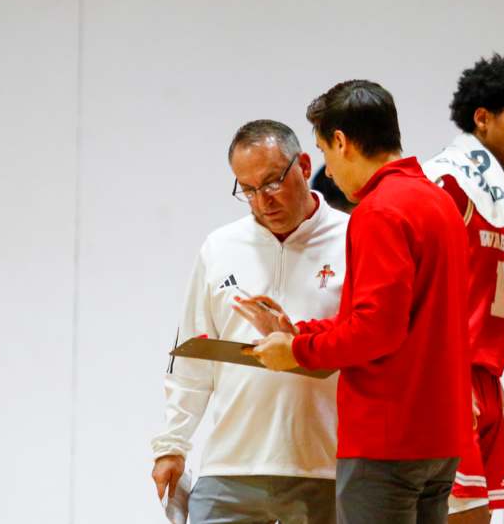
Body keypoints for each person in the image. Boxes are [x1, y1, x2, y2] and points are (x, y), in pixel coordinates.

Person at [236, 80, 472, 524]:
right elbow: (403, 318)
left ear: (341, 142)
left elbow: (377, 330)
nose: (329, 168)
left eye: (324, 152)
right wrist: (302, 333)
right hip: (440, 439)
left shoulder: (379, 210)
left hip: (387, 440)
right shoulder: (440, 204)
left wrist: (297, 352)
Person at [150, 119, 349, 524]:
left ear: (305, 164)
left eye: (273, 182)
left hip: (324, 468)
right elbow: (192, 356)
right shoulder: (220, 247)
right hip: (230, 468)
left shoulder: (353, 238)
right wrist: (172, 445)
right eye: (248, 189)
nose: (263, 201)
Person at [421, 54, 504, 523]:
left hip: (484, 384)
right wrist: (451, 381)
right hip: (450, 383)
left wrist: (501, 398)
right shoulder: (447, 183)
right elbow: (422, 297)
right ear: (482, 118)